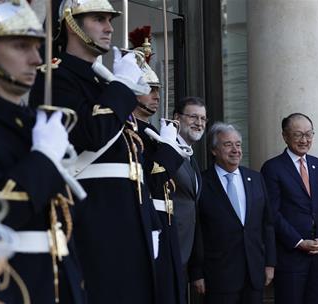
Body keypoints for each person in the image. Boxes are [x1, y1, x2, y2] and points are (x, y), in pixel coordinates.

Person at [29, 1, 160, 303]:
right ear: (71, 23)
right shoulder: (55, 77)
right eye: (98, 19)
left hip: (128, 223)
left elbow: (134, 166)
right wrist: (123, 86)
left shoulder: (104, 81)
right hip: (93, 221)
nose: (109, 27)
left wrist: (149, 223)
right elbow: (90, 134)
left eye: (109, 20)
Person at [0, 1, 84, 303]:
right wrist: (44, 159)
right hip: (9, 285)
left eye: (38, 47)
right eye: (21, 46)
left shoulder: (35, 123)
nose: (36, 59)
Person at [129, 26, 188, 304]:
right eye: (149, 89)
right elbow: (151, 178)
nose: (156, 95)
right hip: (148, 220)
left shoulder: (151, 132)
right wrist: (168, 148)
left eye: (157, 90)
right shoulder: (130, 132)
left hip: (166, 221)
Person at [190, 122, 275, 303]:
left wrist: (270, 263)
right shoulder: (201, 182)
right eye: (228, 144)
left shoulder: (256, 179)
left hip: (254, 274)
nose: (235, 150)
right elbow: (196, 230)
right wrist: (196, 272)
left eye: (238, 144)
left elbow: (267, 224)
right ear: (214, 150)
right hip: (218, 276)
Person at [260, 113, 318, 304]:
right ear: (285, 136)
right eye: (298, 135)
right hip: (291, 258)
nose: (305, 140)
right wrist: (299, 242)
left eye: (309, 134)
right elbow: (272, 214)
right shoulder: (272, 168)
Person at [171, 97, 205, 291]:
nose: (199, 123)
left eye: (203, 118)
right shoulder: (167, 147)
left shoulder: (190, 155)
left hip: (186, 251)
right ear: (177, 118)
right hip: (169, 245)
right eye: (193, 117)